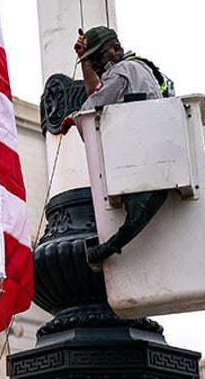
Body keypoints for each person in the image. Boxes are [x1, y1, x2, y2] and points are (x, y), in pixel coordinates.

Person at [64, 26, 174, 268]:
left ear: (116, 49)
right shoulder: (138, 68)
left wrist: (75, 117)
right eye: (91, 61)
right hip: (155, 157)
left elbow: (91, 110)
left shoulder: (123, 71)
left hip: (138, 162)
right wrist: (85, 63)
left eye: (97, 58)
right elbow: (98, 95)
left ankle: (105, 249)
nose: (96, 66)